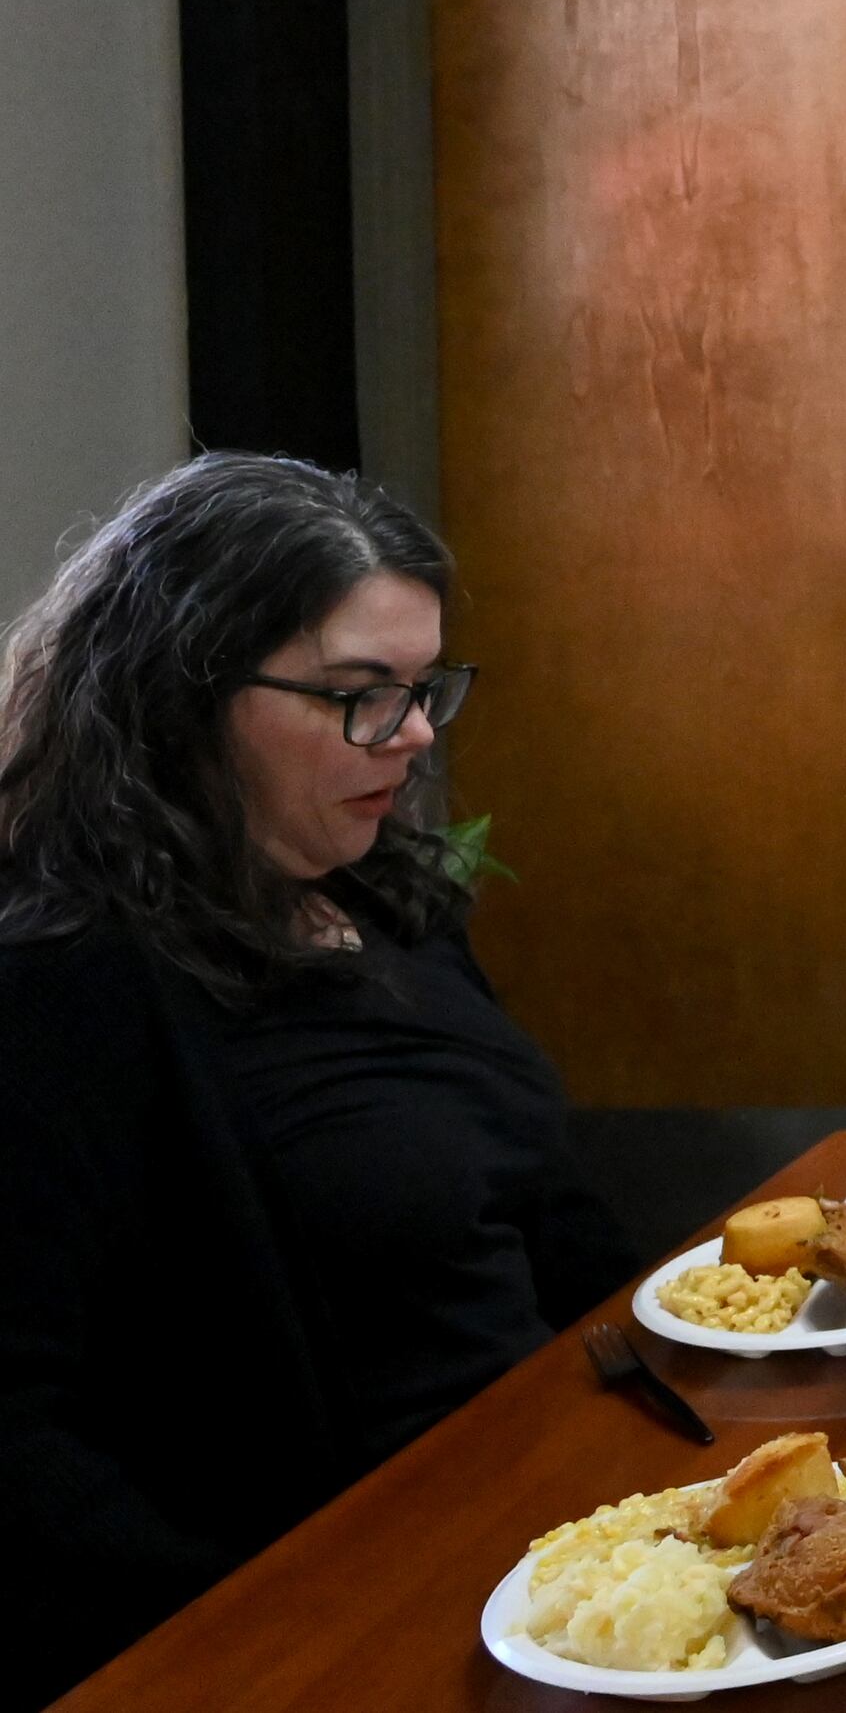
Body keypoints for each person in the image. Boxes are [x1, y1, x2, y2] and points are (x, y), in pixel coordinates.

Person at [0, 455, 635, 1709]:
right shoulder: (64, 986)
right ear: (182, 699)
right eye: (356, 696)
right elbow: (19, 1442)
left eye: (420, 689)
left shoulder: (379, 900)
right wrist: (290, 1634)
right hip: (333, 1610)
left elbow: (541, 1216)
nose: (410, 736)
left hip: (542, 1534)